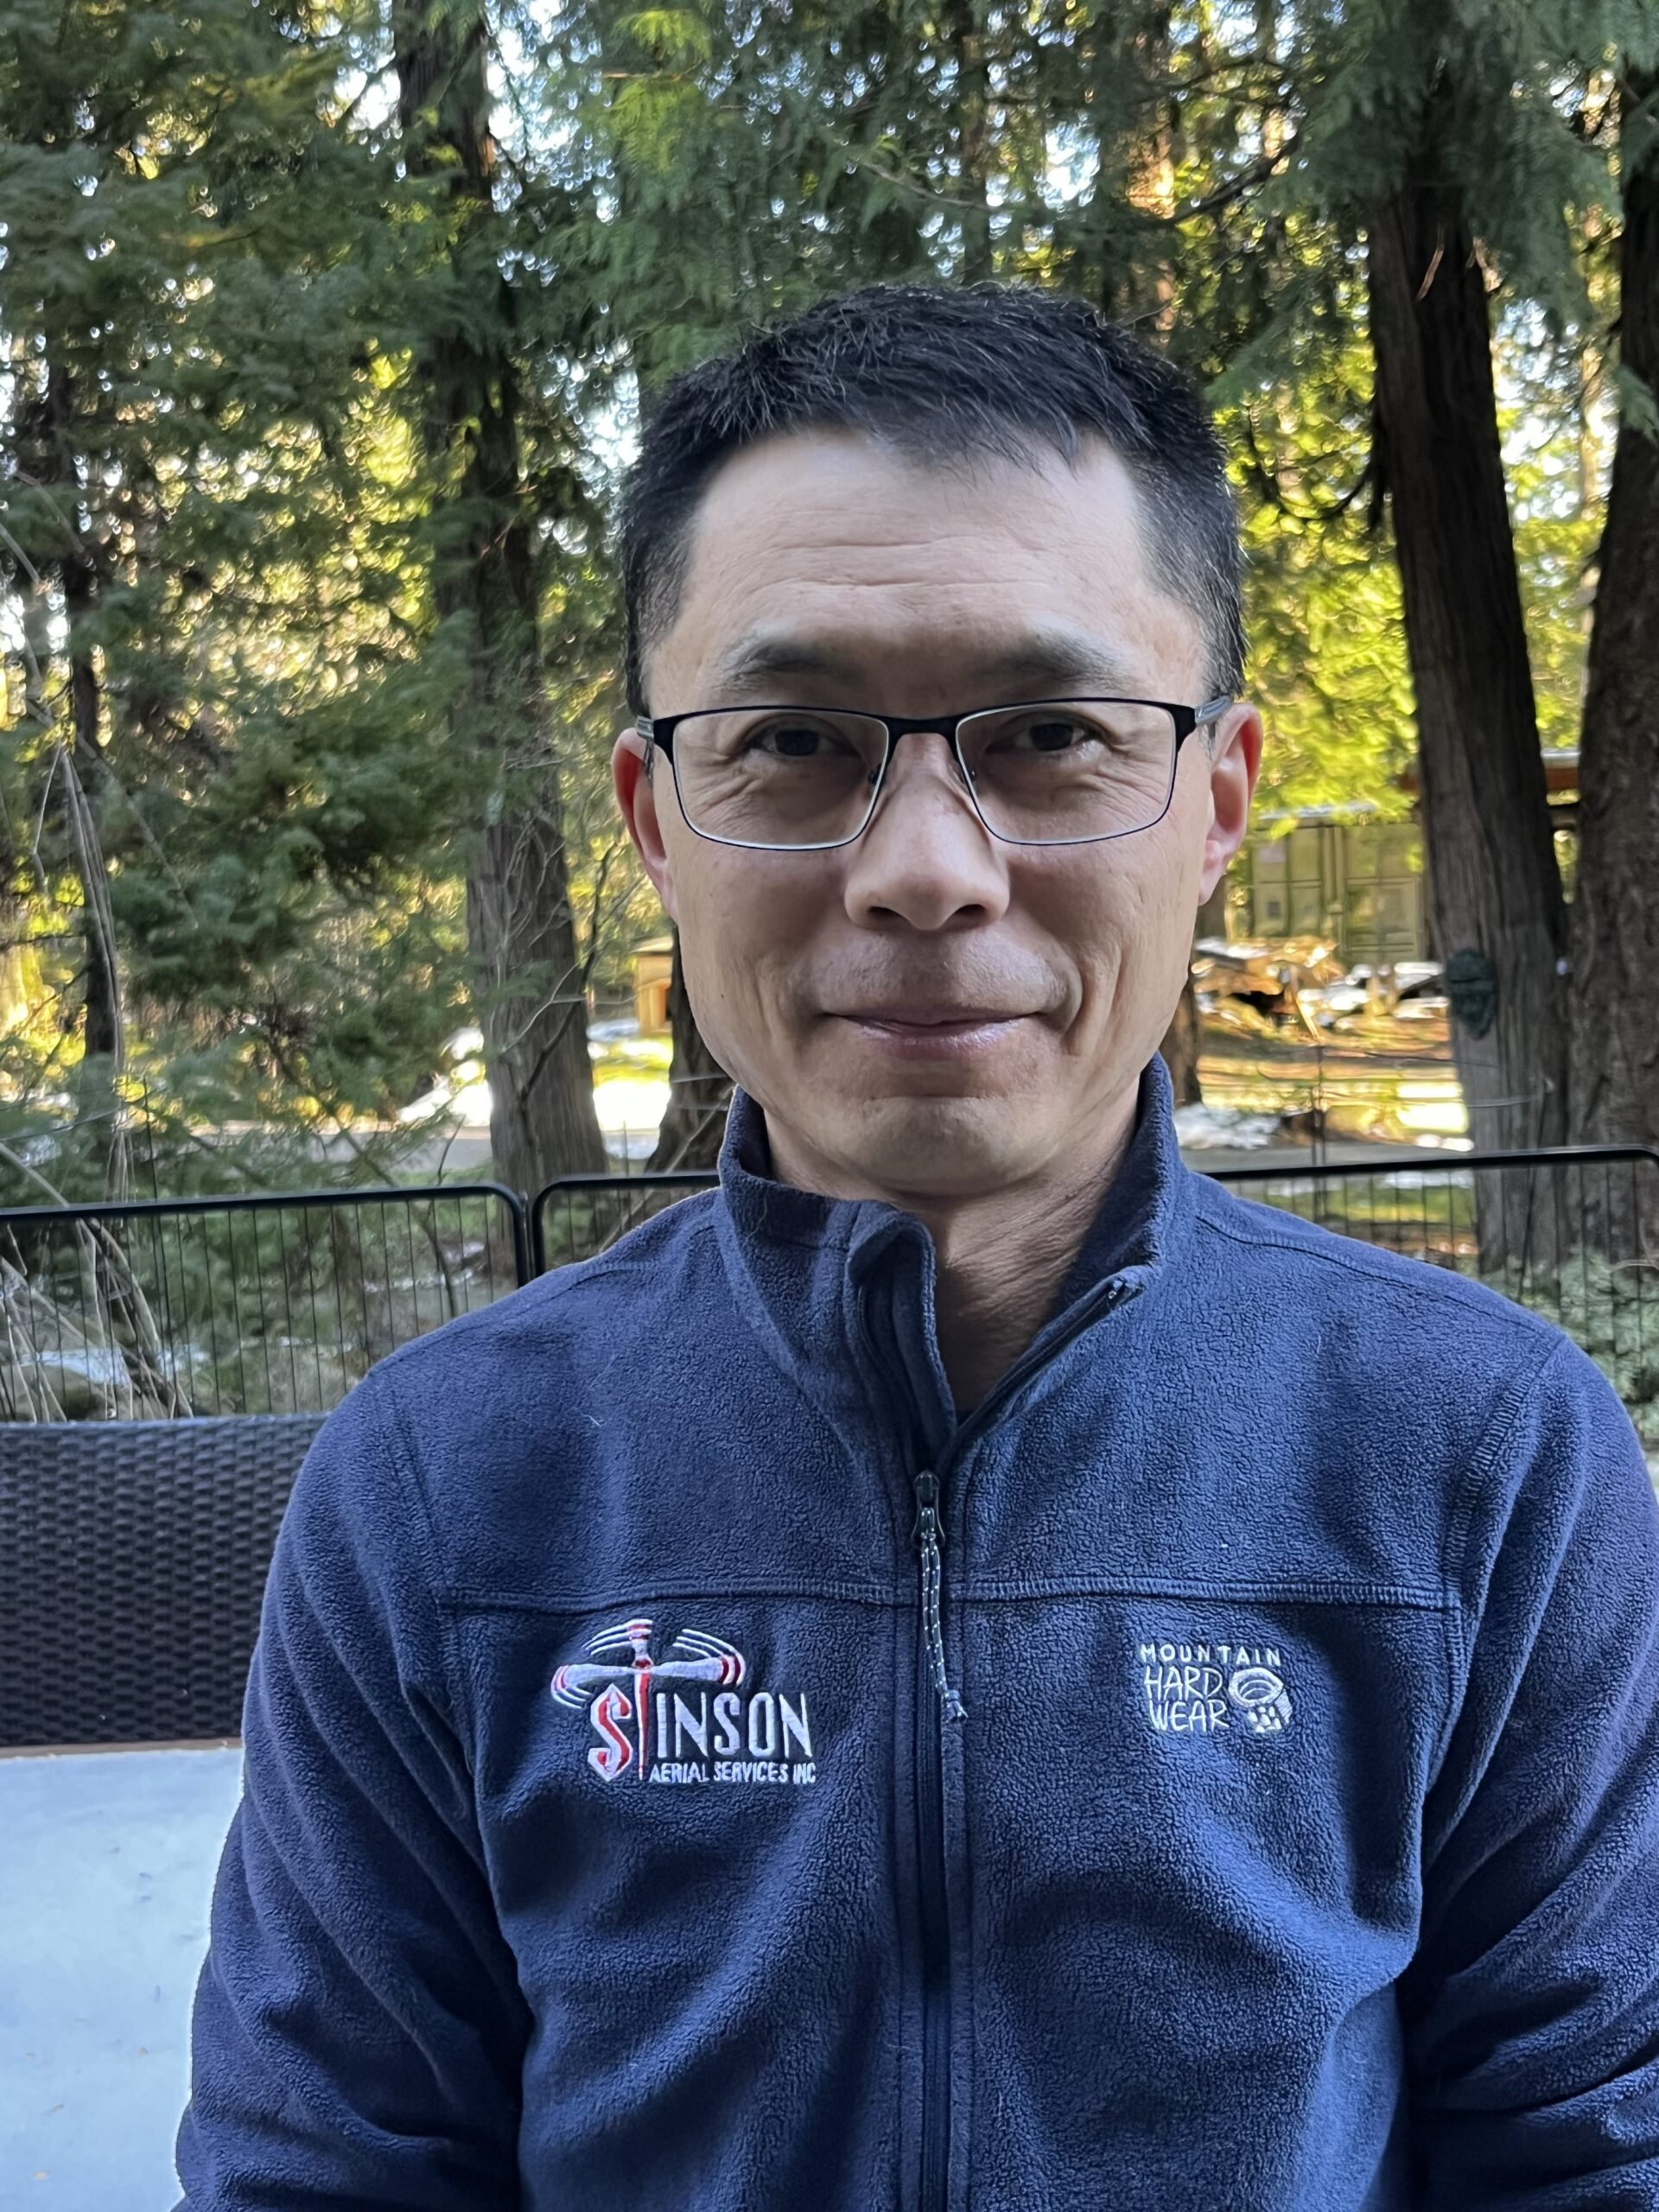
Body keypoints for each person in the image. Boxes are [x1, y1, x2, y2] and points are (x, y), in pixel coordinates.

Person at [175, 283, 1659, 2209]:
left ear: (1217, 796)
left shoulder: (1489, 1459)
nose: (929, 866)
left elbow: (1594, 2157)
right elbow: (324, 2170)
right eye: (793, 739)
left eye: (1051, 734)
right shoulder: (445, 1485)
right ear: (655, 814)